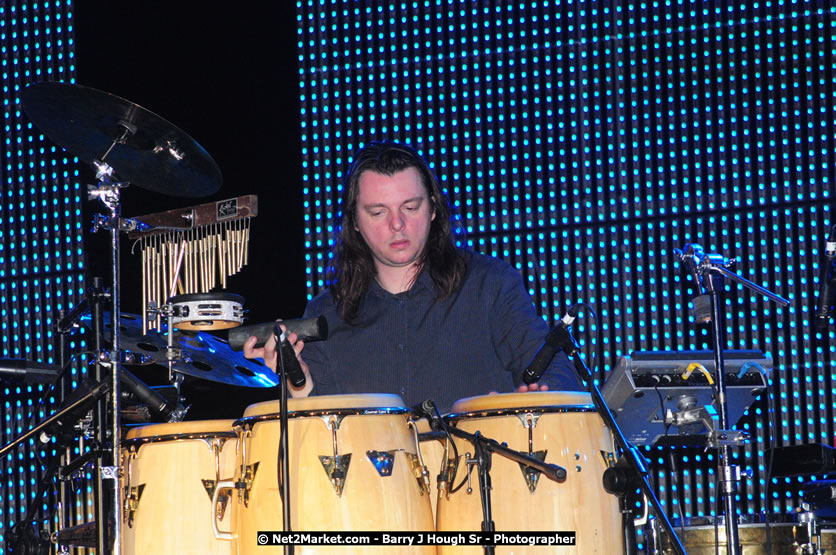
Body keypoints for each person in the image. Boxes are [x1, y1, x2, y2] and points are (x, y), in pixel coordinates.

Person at [244, 140, 582, 411]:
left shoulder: (490, 284)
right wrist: (297, 381)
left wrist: (523, 404)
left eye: (410, 207)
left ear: (434, 208)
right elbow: (322, 435)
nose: (397, 224)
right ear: (355, 222)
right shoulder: (325, 312)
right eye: (378, 212)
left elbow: (558, 374)